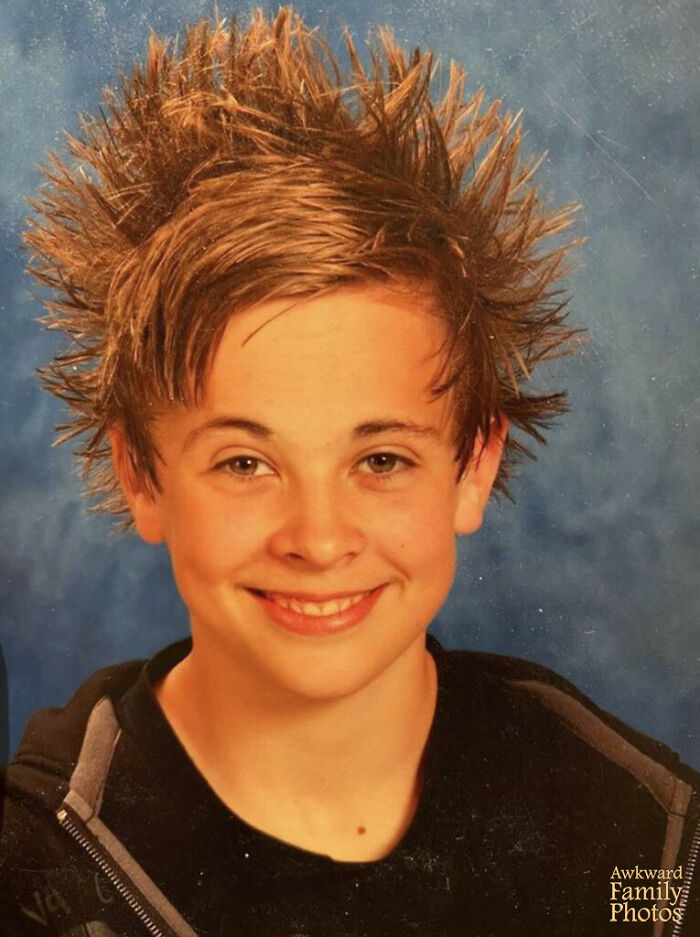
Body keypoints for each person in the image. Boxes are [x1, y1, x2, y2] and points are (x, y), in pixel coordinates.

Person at [1, 6, 698, 935]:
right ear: (142, 473)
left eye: (381, 458)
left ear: (473, 465)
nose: (319, 539)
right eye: (246, 461)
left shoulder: (643, 831)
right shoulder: (37, 873)